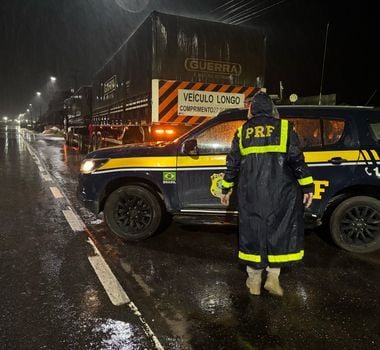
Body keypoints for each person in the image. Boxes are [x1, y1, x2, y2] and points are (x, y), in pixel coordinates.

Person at [220, 91, 314, 297]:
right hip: (281, 193)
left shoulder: (241, 132)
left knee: (253, 233)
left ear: (252, 110)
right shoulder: (285, 128)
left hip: (251, 194)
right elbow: (297, 160)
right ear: (272, 109)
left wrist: (225, 188)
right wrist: (307, 187)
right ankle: (273, 278)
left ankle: (253, 282)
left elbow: (232, 164)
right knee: (278, 231)